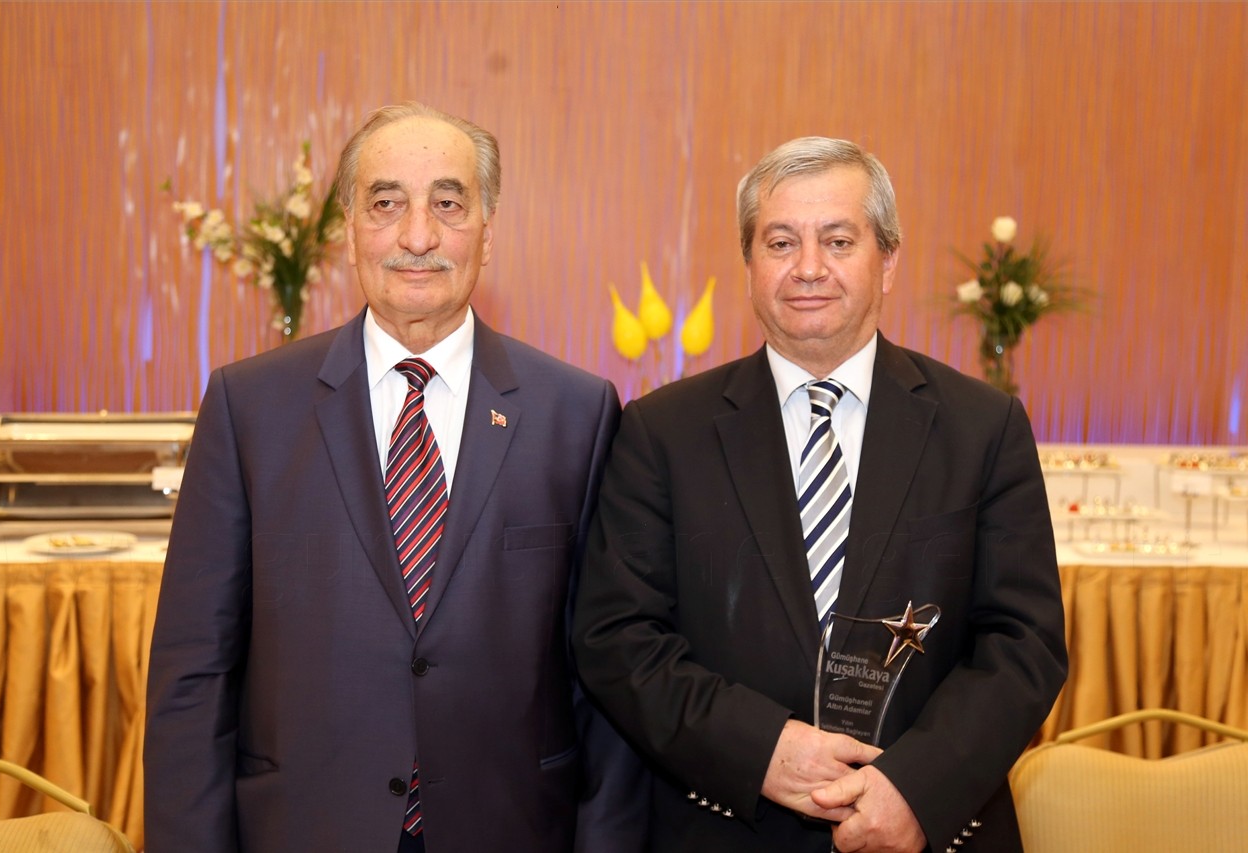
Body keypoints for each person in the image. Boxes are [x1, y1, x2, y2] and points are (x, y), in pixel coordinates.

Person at [146, 102, 645, 853]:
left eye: (448, 203)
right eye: (386, 204)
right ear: (349, 229)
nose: (418, 236)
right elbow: (193, 671)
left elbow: (607, 675)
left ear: (487, 230)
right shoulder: (249, 407)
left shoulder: (577, 412)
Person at [572, 136, 1067, 853]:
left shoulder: (983, 427)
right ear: (749, 262)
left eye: (838, 240)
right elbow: (618, 637)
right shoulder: (661, 431)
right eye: (780, 242)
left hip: (927, 833)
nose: (808, 267)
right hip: (729, 827)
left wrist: (917, 789)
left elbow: (1025, 643)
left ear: (887, 260)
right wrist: (760, 749)